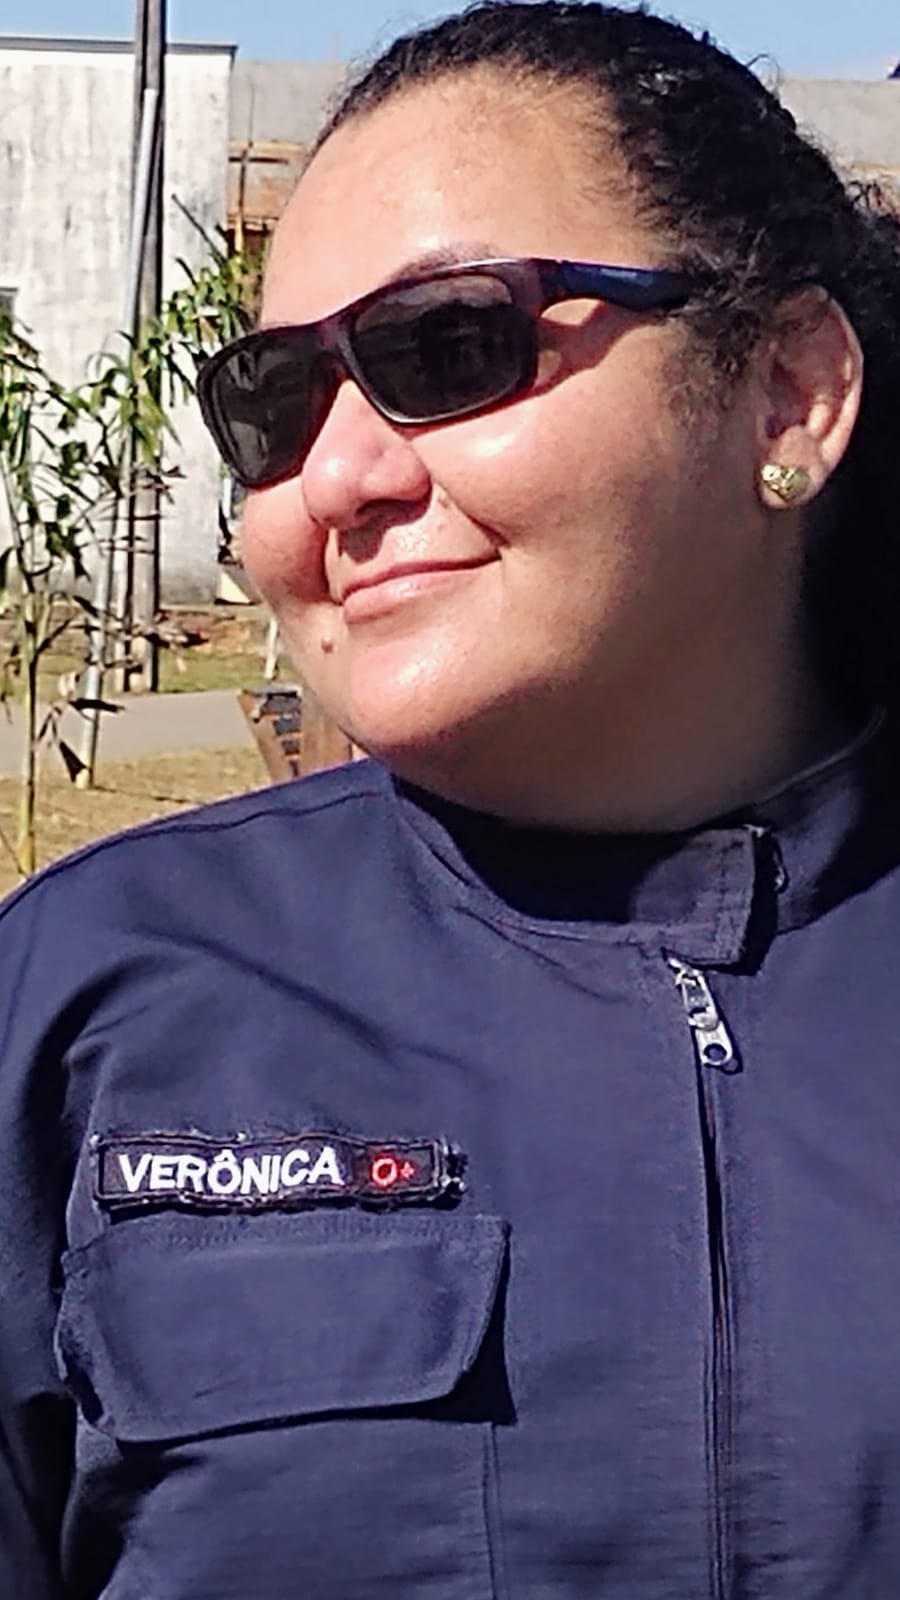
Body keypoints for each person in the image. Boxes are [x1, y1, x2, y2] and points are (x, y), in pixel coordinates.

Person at [2, 2, 900, 1594]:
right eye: (275, 402)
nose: (337, 478)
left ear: (786, 390)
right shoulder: (87, 995)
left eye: (447, 349)